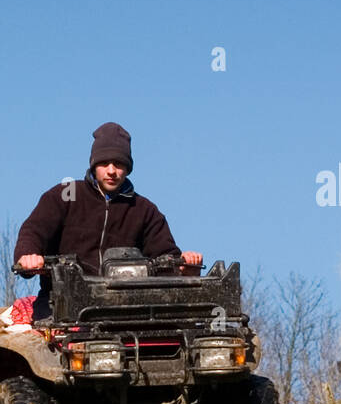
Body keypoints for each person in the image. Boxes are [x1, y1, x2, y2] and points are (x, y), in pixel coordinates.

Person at [13, 121, 203, 318]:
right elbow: (34, 230)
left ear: (128, 168)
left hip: (125, 310)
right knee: (37, 342)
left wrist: (185, 268)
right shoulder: (66, 195)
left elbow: (166, 259)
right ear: (94, 165)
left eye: (119, 164)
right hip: (61, 305)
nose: (111, 171)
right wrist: (28, 256)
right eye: (104, 163)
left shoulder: (144, 210)